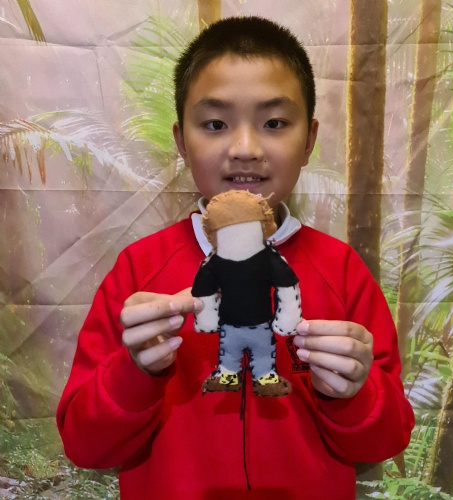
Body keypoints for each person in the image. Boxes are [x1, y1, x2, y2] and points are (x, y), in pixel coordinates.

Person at [57, 16, 414, 499]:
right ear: (182, 142)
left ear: (309, 140)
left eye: (274, 123)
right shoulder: (140, 271)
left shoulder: (342, 270)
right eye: (215, 124)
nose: (245, 149)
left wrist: (356, 392)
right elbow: (84, 446)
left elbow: (387, 440)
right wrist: (133, 372)